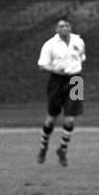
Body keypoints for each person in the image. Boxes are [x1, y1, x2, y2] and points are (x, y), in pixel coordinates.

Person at [37, 17, 85, 166]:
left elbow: (81, 59)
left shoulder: (79, 41)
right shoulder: (50, 45)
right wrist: (55, 69)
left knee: (70, 118)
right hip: (57, 81)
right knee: (51, 118)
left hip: (76, 80)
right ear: (57, 29)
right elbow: (42, 65)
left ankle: (62, 149)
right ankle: (43, 146)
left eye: (66, 25)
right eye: (61, 26)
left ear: (70, 27)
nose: (64, 28)